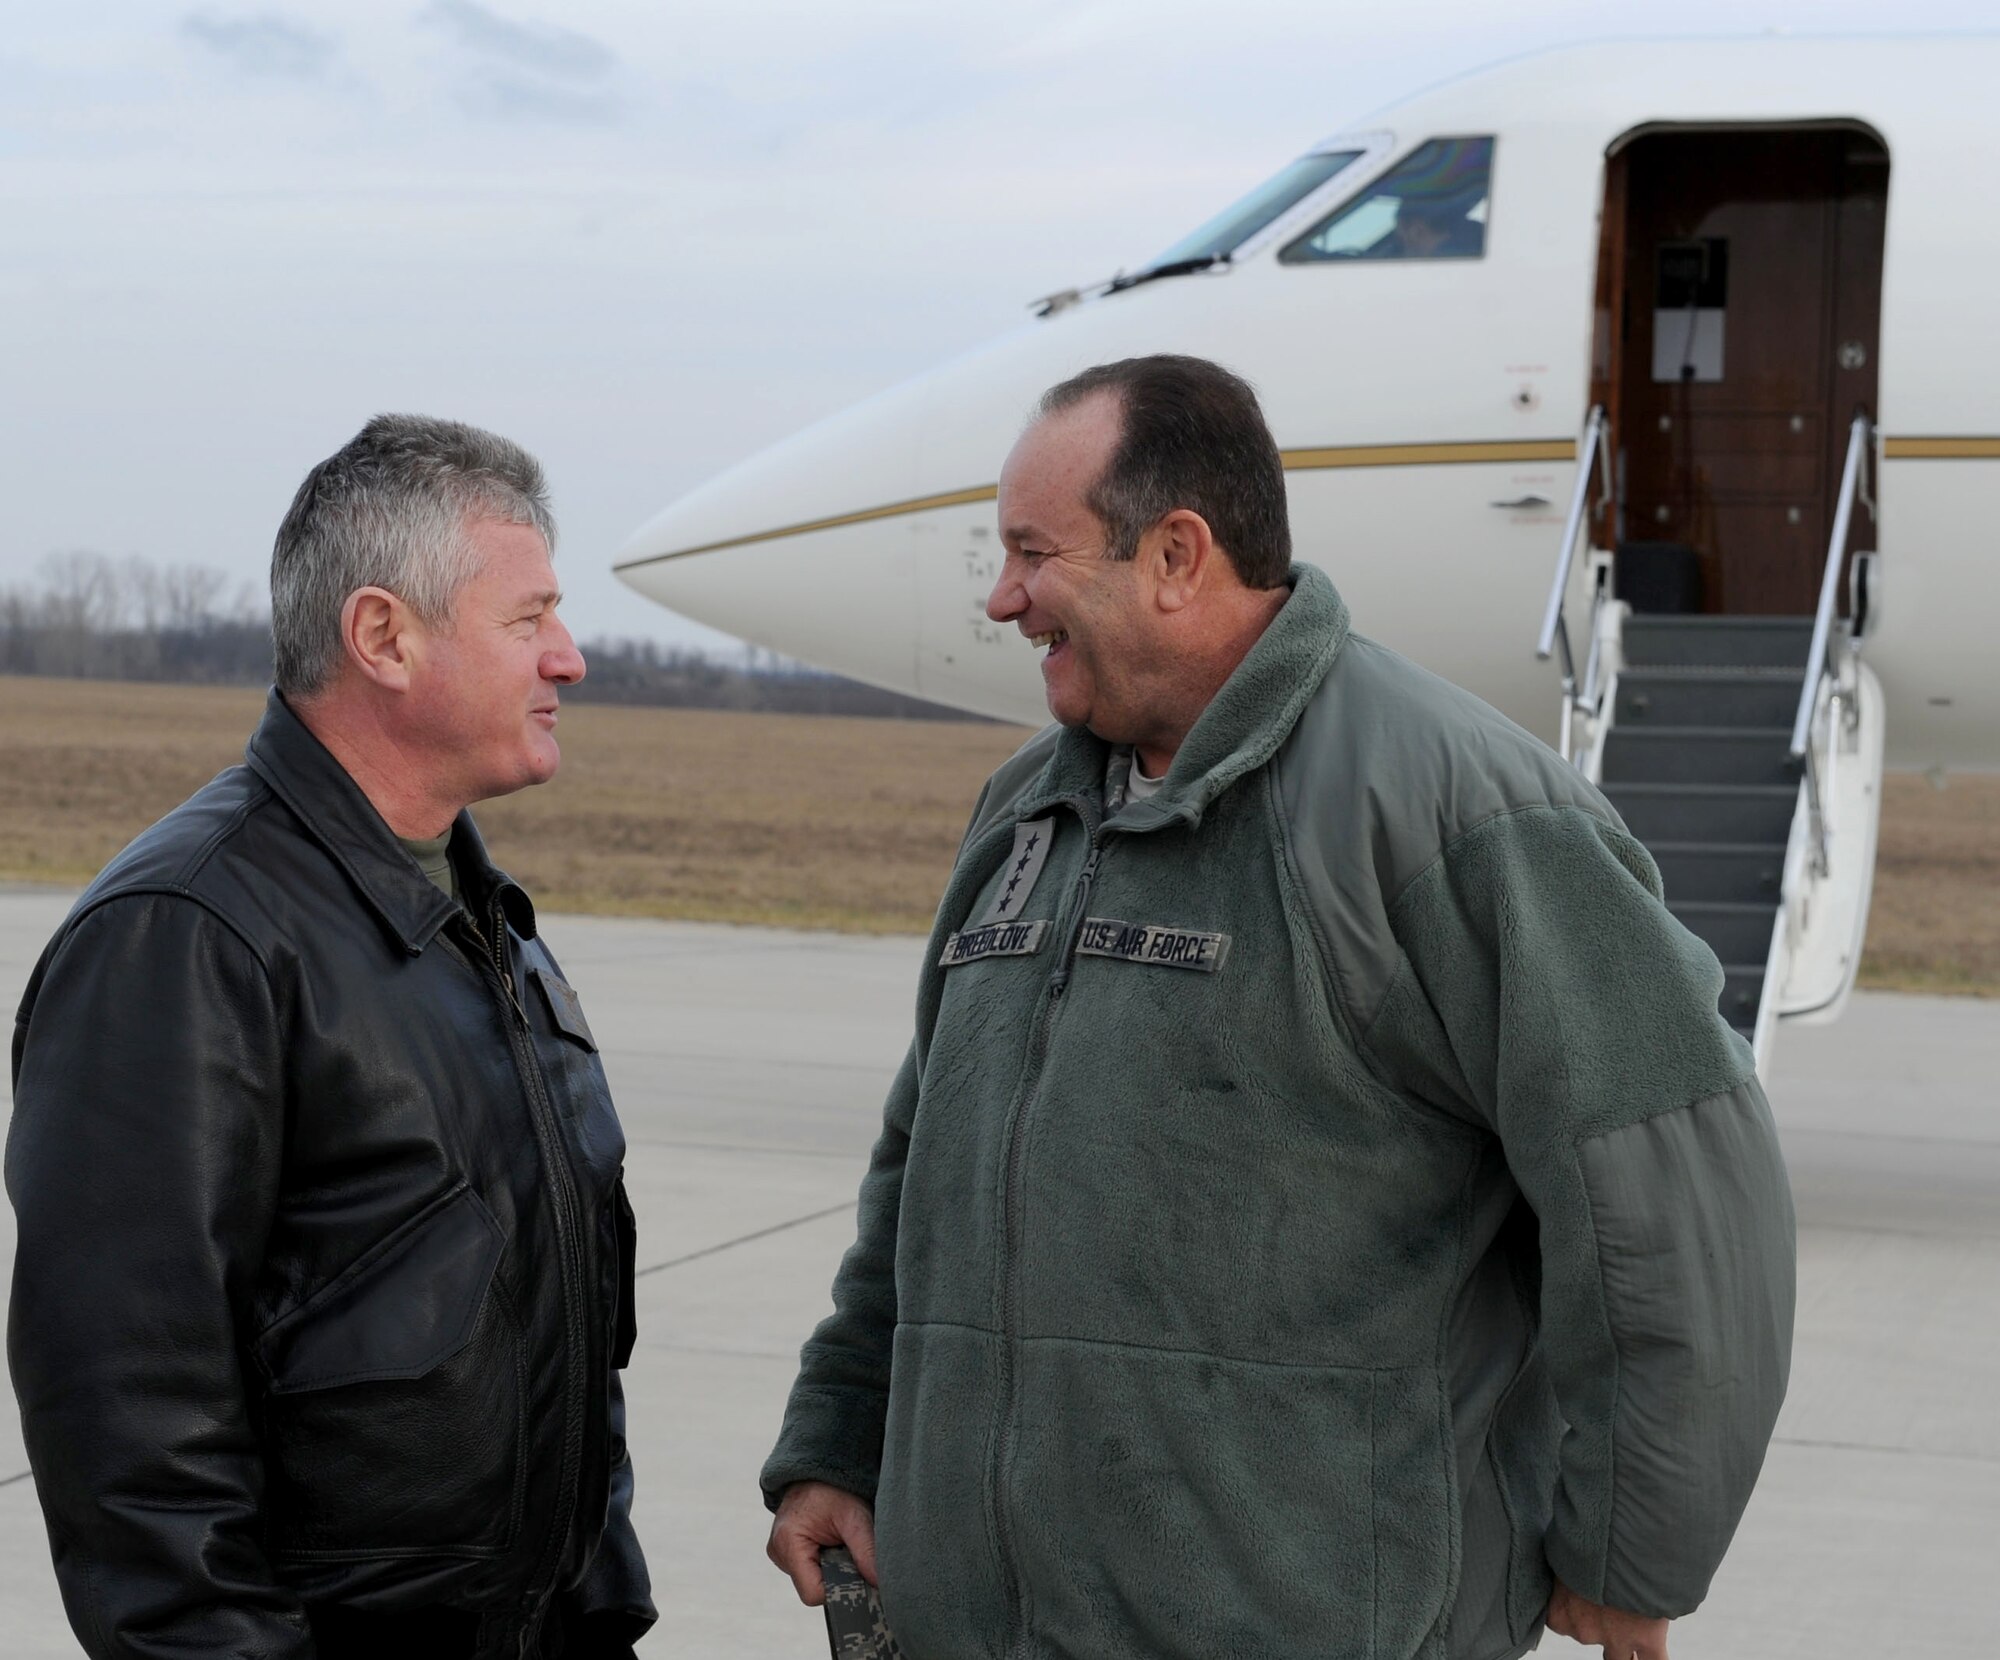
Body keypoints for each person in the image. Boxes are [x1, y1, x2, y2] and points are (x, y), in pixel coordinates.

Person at [761, 356, 1794, 1660]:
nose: (1003, 595)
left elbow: (1673, 1199)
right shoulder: (1022, 813)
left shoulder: (1458, 813)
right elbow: (925, 1172)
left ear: (1177, 555)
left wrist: (1629, 1549)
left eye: (1034, 552)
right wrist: (841, 1438)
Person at [8, 416, 654, 1660]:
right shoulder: (189, 935)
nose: (568, 658)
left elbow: (561, 1341)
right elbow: (135, 1440)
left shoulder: (485, 924)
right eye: (528, 620)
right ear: (383, 637)